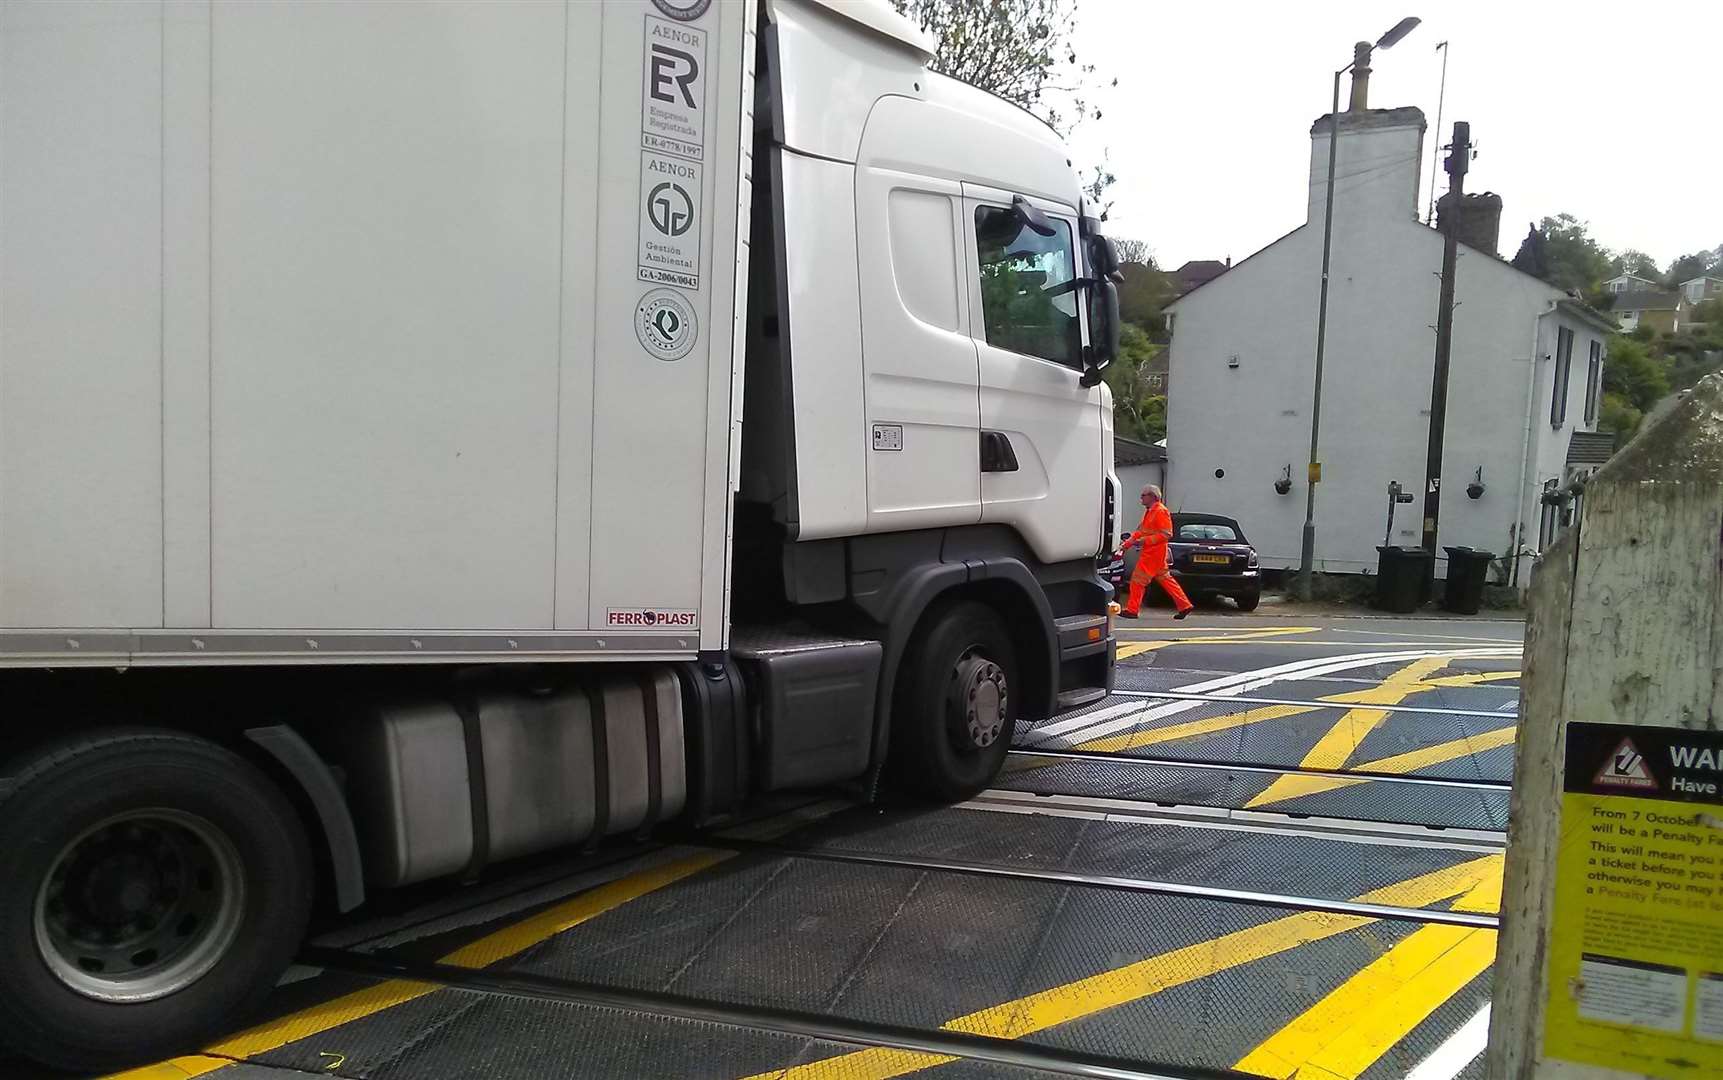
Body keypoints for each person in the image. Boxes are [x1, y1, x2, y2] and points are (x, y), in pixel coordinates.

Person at [1118, 484, 1193, 620]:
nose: (1141, 498)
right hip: (1153, 553)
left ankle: (1132, 610)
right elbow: (1140, 532)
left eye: (1143, 495)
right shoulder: (1151, 511)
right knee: (1166, 579)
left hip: (1153, 553)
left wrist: (1144, 541)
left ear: (1152, 496)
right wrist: (1126, 545)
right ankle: (1184, 605)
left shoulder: (1160, 511)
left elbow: (1166, 534)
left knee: (1137, 580)